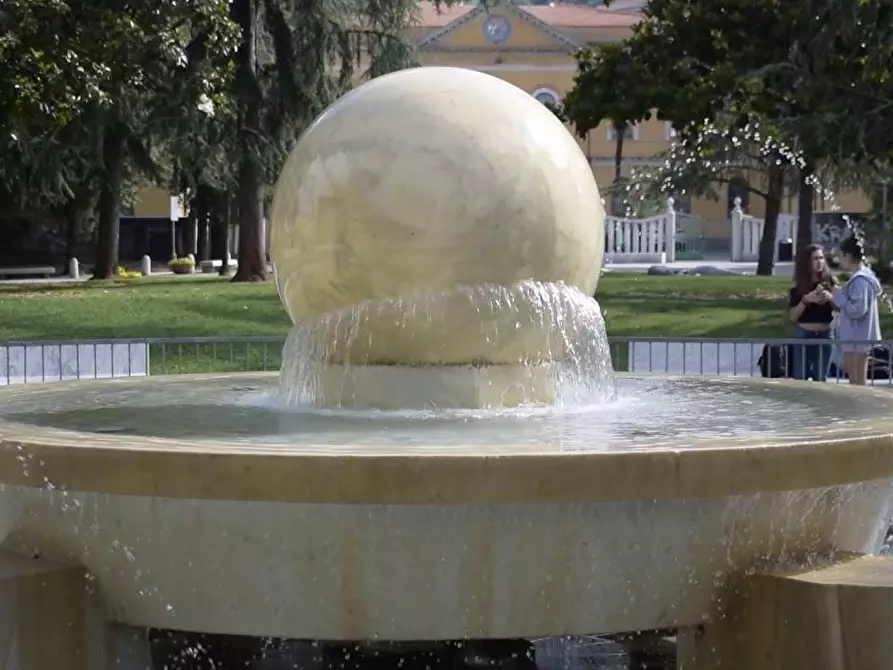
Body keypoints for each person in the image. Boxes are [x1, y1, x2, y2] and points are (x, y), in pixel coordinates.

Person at [832, 235, 883, 385]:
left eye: (841, 256)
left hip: (856, 338)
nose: (839, 260)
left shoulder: (860, 280)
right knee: (857, 382)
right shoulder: (865, 277)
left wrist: (839, 296)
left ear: (848, 255)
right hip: (859, 337)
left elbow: (858, 310)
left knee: (856, 383)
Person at [788, 244, 837, 381]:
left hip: (825, 334)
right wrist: (806, 300)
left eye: (821, 258)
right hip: (805, 335)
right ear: (807, 262)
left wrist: (831, 298)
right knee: (801, 377)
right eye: (815, 258)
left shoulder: (831, 283)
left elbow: (841, 308)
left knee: (821, 377)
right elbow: (792, 317)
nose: (819, 262)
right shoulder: (798, 288)